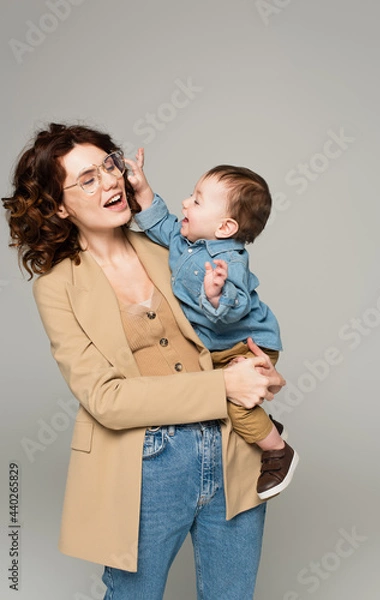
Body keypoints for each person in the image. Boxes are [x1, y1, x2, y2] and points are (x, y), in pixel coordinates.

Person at [2, 123, 286, 600]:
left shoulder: (173, 246)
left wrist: (261, 371)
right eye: (87, 179)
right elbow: (106, 399)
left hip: (234, 448)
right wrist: (225, 388)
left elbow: (235, 321)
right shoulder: (56, 286)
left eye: (109, 166)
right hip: (145, 466)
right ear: (57, 205)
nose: (110, 181)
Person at [130, 150, 299, 500]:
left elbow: (235, 309)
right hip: (218, 347)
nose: (185, 203)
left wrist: (216, 294)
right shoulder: (185, 242)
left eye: (196, 200)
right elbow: (159, 222)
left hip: (248, 342)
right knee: (210, 390)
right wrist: (142, 186)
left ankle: (278, 451)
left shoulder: (228, 262)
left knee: (236, 407)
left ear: (225, 227)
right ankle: (263, 427)